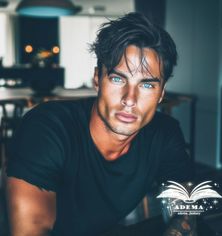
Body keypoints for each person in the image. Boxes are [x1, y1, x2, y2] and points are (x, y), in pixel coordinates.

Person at [6, 12, 196, 236]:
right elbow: (32, 230)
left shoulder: (164, 133)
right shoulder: (48, 128)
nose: (130, 99)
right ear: (97, 78)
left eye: (147, 85)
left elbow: (186, 207)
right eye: (118, 79)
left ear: (161, 93)